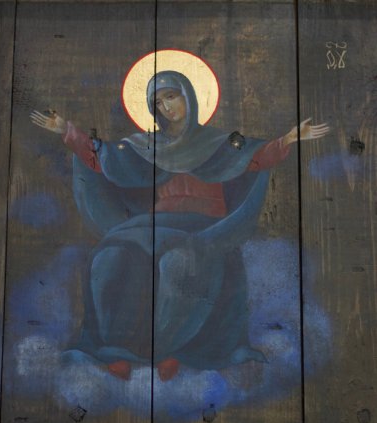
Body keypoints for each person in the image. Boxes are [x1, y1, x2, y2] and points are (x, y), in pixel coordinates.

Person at [31, 70, 329, 381]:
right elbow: (102, 160)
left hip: (204, 227)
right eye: (158, 102)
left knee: (181, 263)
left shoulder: (220, 144)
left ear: (189, 96)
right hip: (151, 227)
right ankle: (116, 349)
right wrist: (67, 131)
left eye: (171, 96)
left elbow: (256, 158)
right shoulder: (142, 146)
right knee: (111, 256)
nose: (166, 107)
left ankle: (168, 348)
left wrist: (288, 139)